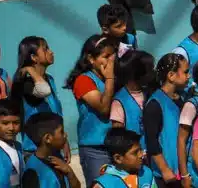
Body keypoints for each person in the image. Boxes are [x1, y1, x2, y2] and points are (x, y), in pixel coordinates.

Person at [65, 36, 117, 179]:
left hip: (115, 146)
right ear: (91, 59)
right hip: (95, 149)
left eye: (113, 55)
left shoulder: (111, 79)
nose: (111, 61)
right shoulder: (83, 80)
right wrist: (110, 79)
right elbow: (104, 108)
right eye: (106, 56)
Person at [11, 37, 64, 156]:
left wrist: (63, 141)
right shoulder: (25, 82)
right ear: (34, 57)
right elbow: (43, 91)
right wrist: (31, 70)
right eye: (45, 49)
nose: (51, 52)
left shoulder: (49, 79)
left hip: (54, 146)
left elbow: (56, 112)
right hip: (35, 150)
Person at [144, 53, 189, 186]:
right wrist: (164, 169)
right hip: (167, 174)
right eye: (185, 72)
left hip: (181, 171)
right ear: (171, 75)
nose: (189, 76)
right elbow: (151, 141)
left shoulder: (180, 99)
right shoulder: (155, 104)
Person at [21, 111, 81, 188]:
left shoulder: (56, 158)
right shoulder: (34, 172)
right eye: (61, 132)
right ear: (48, 138)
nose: (66, 135)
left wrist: (70, 173)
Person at [109, 50, 154, 134]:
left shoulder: (150, 93)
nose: (153, 73)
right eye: (149, 69)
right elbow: (118, 138)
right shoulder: (119, 102)